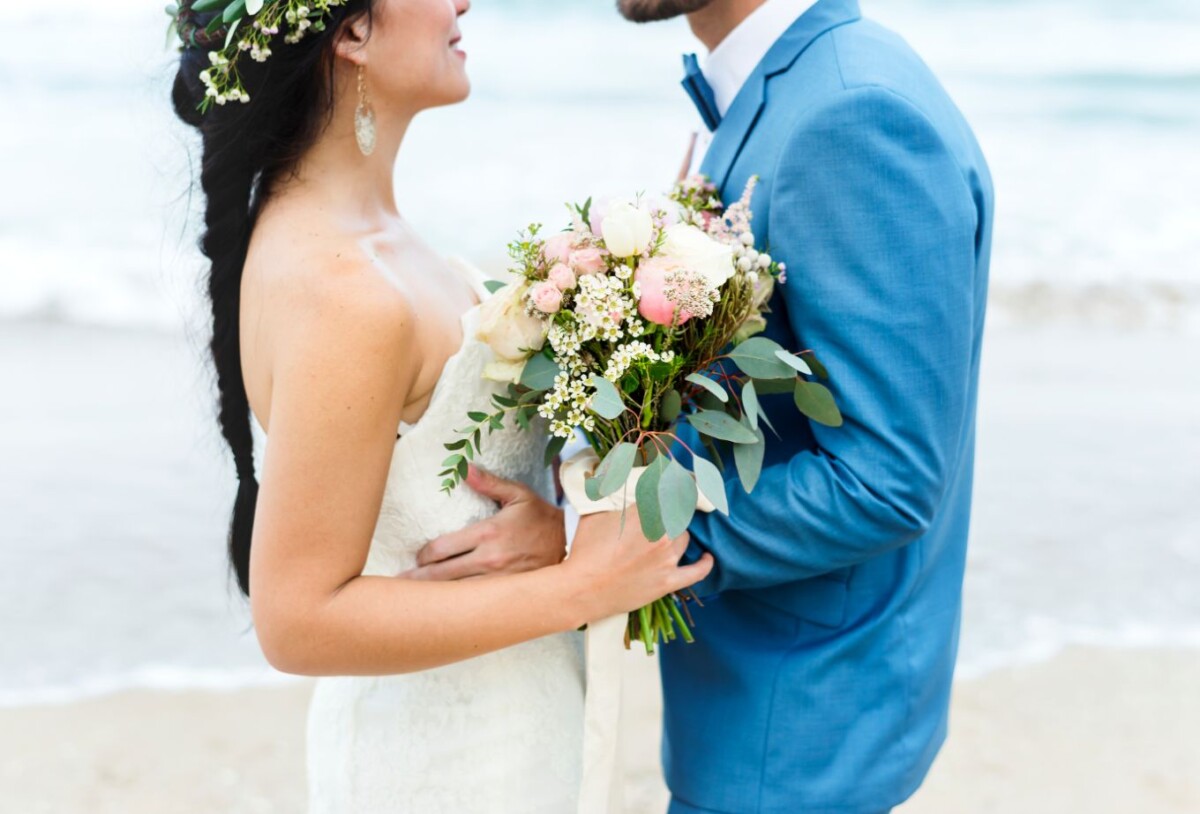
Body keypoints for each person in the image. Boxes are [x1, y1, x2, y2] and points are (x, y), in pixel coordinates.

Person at [438, 0, 994, 811]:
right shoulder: (784, 89)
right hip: (754, 700)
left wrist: (603, 536)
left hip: (798, 720)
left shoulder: (853, 114)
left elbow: (889, 478)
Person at [167, 0, 713, 811]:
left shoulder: (365, 233)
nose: (462, 2)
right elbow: (297, 619)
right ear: (350, 32)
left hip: (507, 720)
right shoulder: (341, 288)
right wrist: (583, 585)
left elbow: (443, 481)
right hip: (447, 763)